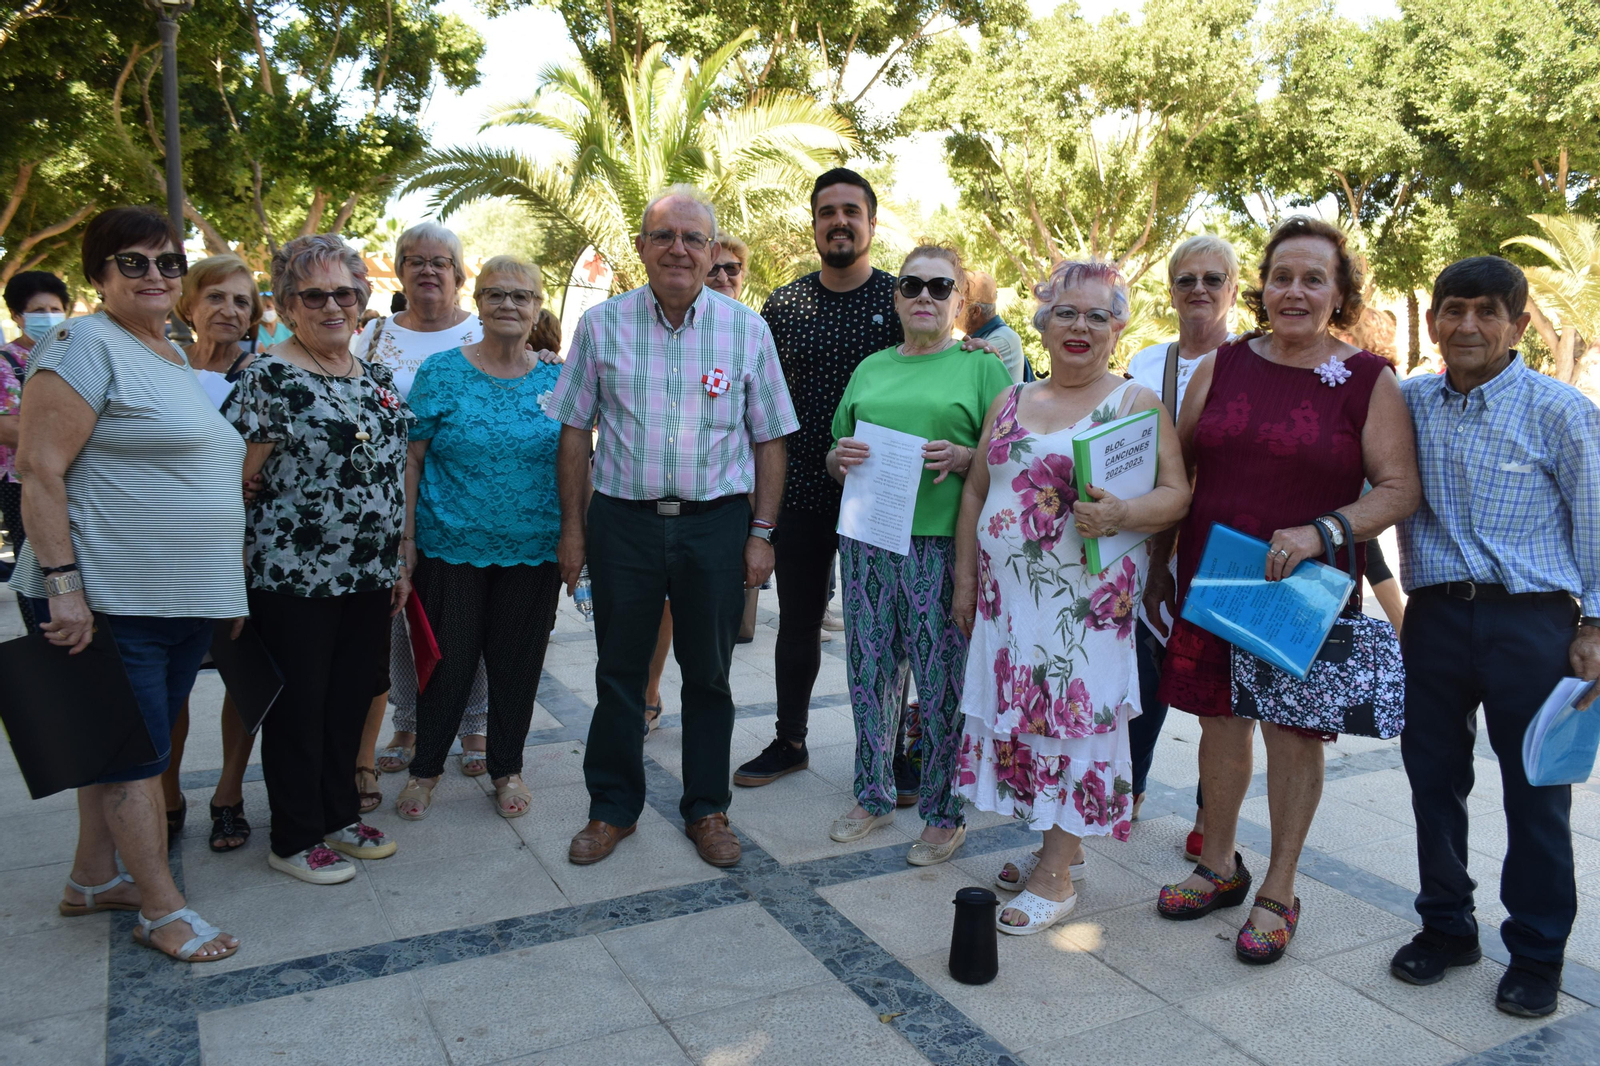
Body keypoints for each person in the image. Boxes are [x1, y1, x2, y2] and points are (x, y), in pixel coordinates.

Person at [1150, 216, 1420, 964]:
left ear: (1339, 294)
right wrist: (1158, 565)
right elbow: (1187, 474)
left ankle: (1279, 885)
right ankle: (1220, 864)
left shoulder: (1368, 379)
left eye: (1312, 279)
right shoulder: (1223, 364)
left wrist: (1323, 530)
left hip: (1304, 588)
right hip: (1216, 578)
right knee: (1217, 723)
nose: (1293, 292)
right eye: (1281, 277)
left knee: (1293, 736)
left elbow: (1398, 490)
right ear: (1262, 286)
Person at [13, 205, 241, 962]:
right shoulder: (82, 344)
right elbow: (40, 472)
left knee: (119, 748)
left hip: (172, 596)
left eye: (168, 262)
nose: (155, 275)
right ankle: (160, 909)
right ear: (100, 274)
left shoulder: (170, 352)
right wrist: (63, 586)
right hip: (107, 595)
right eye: (133, 262)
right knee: (135, 756)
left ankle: (90, 880)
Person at [551, 185, 798, 868]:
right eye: (664, 236)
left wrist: (761, 532)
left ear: (713, 250)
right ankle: (610, 809)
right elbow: (574, 433)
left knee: (710, 675)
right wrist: (573, 531)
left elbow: (771, 440)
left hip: (715, 526)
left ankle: (707, 808)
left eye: (693, 238)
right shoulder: (601, 326)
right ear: (640, 248)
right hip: (622, 524)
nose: (679, 249)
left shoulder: (746, 329)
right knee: (619, 674)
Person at [954, 259, 1191, 931]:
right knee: (1029, 721)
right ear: (1043, 323)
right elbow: (978, 490)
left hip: (1084, 608)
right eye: (1066, 312)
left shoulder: (1135, 403)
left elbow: (1177, 494)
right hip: (1009, 605)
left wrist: (1122, 515)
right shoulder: (1010, 398)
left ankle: (1056, 874)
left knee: (1072, 721)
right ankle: (1061, 842)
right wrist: (966, 578)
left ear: (1118, 326)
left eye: (1096, 314)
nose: (1080, 326)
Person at [1391, 256, 1600, 1018]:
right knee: (1432, 781)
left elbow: (1597, 518)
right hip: (1438, 618)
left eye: (1487, 312)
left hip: (1533, 622)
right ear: (1434, 320)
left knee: (1538, 789)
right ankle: (1446, 928)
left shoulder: (1561, 411)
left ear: (1517, 323)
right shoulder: (1408, 403)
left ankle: (1538, 953)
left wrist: (1596, 626)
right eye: (1453, 309)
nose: (1468, 326)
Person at [223, 234, 410, 884]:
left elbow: (392, 476)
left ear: (362, 300)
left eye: (346, 292)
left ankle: (337, 815)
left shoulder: (378, 379)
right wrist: (229, 577)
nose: (334, 305)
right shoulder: (266, 375)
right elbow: (234, 485)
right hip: (292, 579)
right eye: (316, 294)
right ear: (286, 302)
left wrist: (400, 557)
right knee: (300, 708)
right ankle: (295, 836)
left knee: (350, 699)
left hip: (369, 574)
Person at [825, 243, 1013, 865]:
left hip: (941, 544)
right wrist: (836, 458)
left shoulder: (983, 367)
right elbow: (836, 447)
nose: (925, 297)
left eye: (941, 287)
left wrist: (965, 459)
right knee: (870, 671)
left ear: (961, 300)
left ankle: (941, 810)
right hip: (867, 540)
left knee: (940, 680)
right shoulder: (871, 366)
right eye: (913, 286)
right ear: (897, 296)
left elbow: (1012, 454)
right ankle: (873, 792)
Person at [734, 169, 906, 790]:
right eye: (827, 212)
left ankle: (891, 748)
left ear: (870, 223)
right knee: (798, 621)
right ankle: (790, 740)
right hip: (801, 489)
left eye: (851, 212)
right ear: (814, 225)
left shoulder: (900, 299)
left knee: (889, 628)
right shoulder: (783, 305)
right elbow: (757, 406)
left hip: (882, 493)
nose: (839, 222)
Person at [395, 257, 564, 820]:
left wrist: (576, 540)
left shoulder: (555, 378)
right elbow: (412, 459)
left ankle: (507, 767)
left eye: (522, 296)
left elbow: (576, 461)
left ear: (539, 306)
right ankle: (425, 771)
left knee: (518, 664)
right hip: (451, 546)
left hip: (534, 548)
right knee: (450, 661)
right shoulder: (443, 371)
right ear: (479, 302)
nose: (508, 306)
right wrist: (408, 536)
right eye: (495, 295)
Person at [360, 222, 491, 787]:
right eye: (414, 260)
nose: (428, 270)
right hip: (393, 501)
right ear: (400, 271)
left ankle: (476, 725)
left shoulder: (486, 329)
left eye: (440, 261)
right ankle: (409, 722)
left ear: (460, 275)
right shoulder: (371, 337)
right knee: (402, 617)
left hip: (470, 501)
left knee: (475, 615)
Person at [1126, 234, 1239, 857]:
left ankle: (1209, 815)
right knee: (1141, 675)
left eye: (1213, 278)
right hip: (1147, 543)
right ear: (1170, 289)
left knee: (1218, 691)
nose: (1199, 289)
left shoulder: (1253, 364)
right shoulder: (1144, 363)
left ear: (1232, 287)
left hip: (1219, 547)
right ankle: (1129, 789)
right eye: (1187, 278)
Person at [160, 254, 266, 850]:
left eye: (242, 301)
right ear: (189, 305)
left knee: (240, 675)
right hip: (170, 549)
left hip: (242, 548)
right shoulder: (164, 367)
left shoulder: (265, 372)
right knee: (169, 679)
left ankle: (229, 792)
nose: (230, 310)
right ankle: (169, 794)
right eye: (217, 298)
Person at [1, 270, 70, 629]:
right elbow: (7, 426)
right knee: (37, 565)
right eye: (38, 309)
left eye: (55, 308)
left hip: (76, 480)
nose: (49, 316)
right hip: (22, 482)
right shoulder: (6, 362)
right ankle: (42, 641)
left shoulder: (76, 354)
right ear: (17, 315)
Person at [959, 271, 1025, 383]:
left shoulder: (1002, 339)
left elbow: (956, 373)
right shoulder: (989, 334)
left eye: (959, 305)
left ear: (975, 312)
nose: (955, 311)